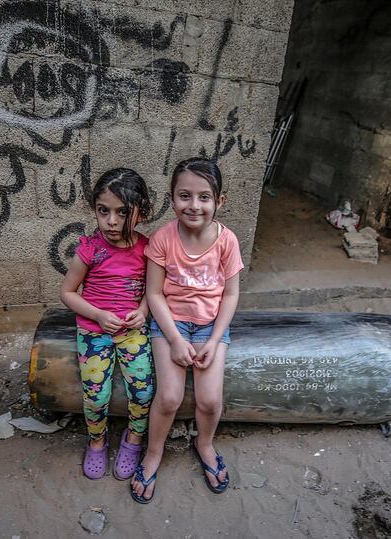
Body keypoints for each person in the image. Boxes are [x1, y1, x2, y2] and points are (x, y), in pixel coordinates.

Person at [131, 157, 243, 503]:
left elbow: (231, 293)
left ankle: (204, 443)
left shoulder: (227, 242)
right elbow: (153, 293)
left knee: (210, 400)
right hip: (171, 324)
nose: (194, 205)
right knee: (169, 397)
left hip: (211, 326)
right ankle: (153, 452)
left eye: (204, 197)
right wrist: (176, 340)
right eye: (185, 196)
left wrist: (213, 339)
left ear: (219, 201)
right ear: (172, 197)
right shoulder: (163, 239)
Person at [60, 168, 154, 481]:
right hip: (94, 334)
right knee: (96, 396)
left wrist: (143, 311)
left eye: (122, 212)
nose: (111, 221)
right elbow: (67, 293)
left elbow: (155, 291)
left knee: (142, 393)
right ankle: (97, 443)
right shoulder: (90, 248)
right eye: (104, 211)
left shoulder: (148, 249)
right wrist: (98, 315)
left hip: (132, 334)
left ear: (141, 211)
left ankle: (134, 440)